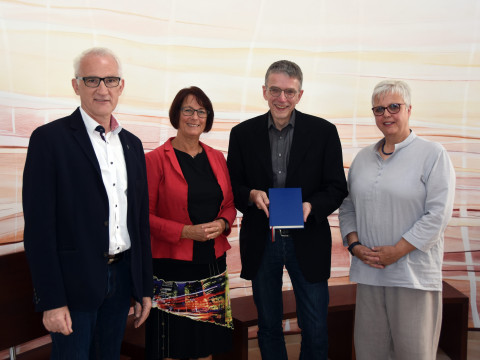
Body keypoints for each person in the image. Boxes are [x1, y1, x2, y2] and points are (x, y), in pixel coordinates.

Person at [22, 47, 153, 359]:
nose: (102, 89)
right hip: (73, 285)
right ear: (75, 85)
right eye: (92, 80)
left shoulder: (132, 145)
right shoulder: (48, 140)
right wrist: (52, 301)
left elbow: (138, 222)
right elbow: (39, 231)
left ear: (121, 86)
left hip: (121, 280)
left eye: (110, 80)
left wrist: (143, 287)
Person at [227, 60, 348, 360]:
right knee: (268, 325)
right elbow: (232, 186)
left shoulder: (324, 132)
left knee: (316, 325)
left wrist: (310, 206)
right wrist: (252, 195)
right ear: (264, 91)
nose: (282, 98)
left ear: (300, 94)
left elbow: (336, 187)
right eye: (275, 90)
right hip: (262, 241)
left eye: (289, 92)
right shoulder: (242, 133)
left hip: (307, 240)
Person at [339, 80, 456, 360]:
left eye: (394, 106)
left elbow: (438, 214)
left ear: (409, 109)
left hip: (412, 275)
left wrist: (398, 251)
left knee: (413, 353)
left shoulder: (433, 154)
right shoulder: (363, 158)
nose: (386, 114)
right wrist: (355, 246)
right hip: (369, 273)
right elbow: (347, 207)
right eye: (379, 109)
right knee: (370, 351)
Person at [144, 86, 236, 360]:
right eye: (188, 110)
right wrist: (183, 231)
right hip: (171, 266)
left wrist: (222, 224)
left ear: (207, 117)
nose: (194, 116)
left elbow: (229, 205)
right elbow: (142, 217)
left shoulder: (217, 158)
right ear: (176, 115)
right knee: (173, 344)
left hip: (212, 263)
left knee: (205, 344)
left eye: (201, 111)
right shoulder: (154, 160)